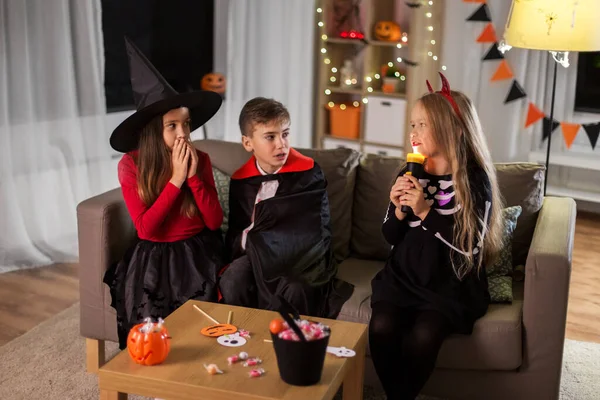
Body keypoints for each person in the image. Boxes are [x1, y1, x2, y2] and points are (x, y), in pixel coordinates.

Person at [369, 73, 504, 400]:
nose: (413, 133)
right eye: (412, 124)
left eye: (422, 125)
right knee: (381, 327)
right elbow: (390, 235)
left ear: (454, 130)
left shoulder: (474, 182)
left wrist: (426, 211)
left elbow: (470, 249)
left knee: (425, 335)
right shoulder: (409, 171)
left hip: (449, 283)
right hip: (403, 277)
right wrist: (398, 208)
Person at [104, 38, 225, 349]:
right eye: (172, 126)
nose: (183, 133)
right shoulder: (131, 165)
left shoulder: (203, 159)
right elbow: (145, 229)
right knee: (153, 329)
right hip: (154, 255)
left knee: (203, 325)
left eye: (186, 124)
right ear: (154, 130)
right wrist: (175, 180)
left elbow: (213, 221)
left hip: (198, 251)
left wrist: (194, 178)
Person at [218, 97, 353, 318]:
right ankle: (242, 337)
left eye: (285, 134)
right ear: (248, 143)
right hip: (256, 257)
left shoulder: (308, 173)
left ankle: (287, 344)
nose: (281, 144)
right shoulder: (241, 181)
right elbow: (238, 230)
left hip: (302, 258)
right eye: (270, 137)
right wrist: (253, 241)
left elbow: (316, 230)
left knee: (296, 288)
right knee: (233, 279)